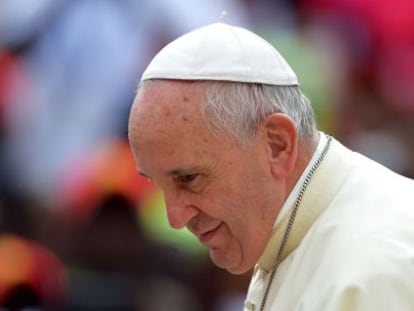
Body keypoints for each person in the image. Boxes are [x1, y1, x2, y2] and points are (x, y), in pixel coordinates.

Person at [127, 23, 414, 311]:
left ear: (277, 145)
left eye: (189, 178)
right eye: (157, 184)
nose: (175, 219)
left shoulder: (371, 276)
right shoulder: (286, 235)